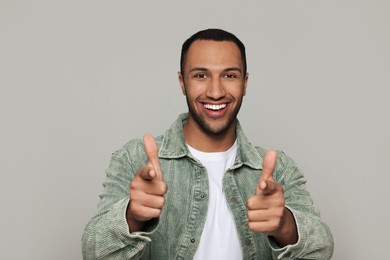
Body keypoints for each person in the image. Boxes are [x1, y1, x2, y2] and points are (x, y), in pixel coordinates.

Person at [82, 28, 334, 259]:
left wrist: (284, 226)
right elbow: (93, 252)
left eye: (229, 75)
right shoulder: (134, 158)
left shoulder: (279, 169)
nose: (215, 91)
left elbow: (322, 249)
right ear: (182, 82)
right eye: (201, 75)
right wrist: (132, 218)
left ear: (245, 82)